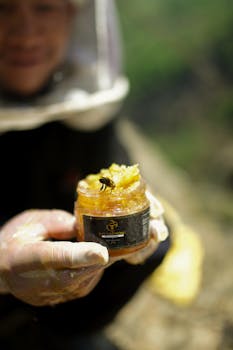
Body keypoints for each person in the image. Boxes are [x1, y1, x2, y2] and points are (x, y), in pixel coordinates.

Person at [0, 1, 203, 349]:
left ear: (74, 16)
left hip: (60, 314)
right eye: (2, 8)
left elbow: (109, 177)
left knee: (155, 240)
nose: (26, 32)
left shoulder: (86, 107)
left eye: (45, 7)